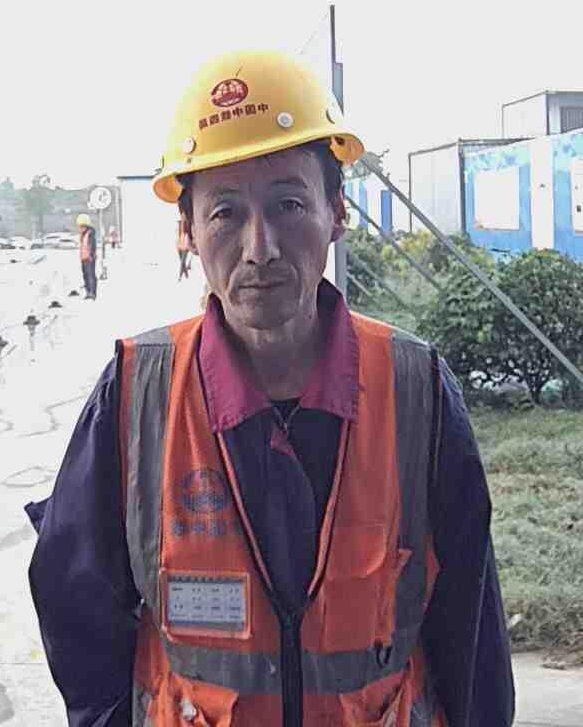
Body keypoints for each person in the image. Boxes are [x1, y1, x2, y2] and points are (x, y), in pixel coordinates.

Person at [27, 51, 514, 727]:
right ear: (188, 231)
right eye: (225, 213)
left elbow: (470, 635)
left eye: (289, 204)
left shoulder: (416, 390)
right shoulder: (136, 394)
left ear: (336, 212)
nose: (261, 248)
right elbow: (77, 611)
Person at [76, 212, 97, 300]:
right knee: (85, 276)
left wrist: (91, 256)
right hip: (84, 258)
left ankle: (92, 293)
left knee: (91, 275)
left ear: (86, 226)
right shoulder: (83, 235)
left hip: (89, 258)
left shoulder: (90, 234)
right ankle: (88, 292)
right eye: (80, 227)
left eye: (81, 226)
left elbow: (92, 246)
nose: (80, 228)